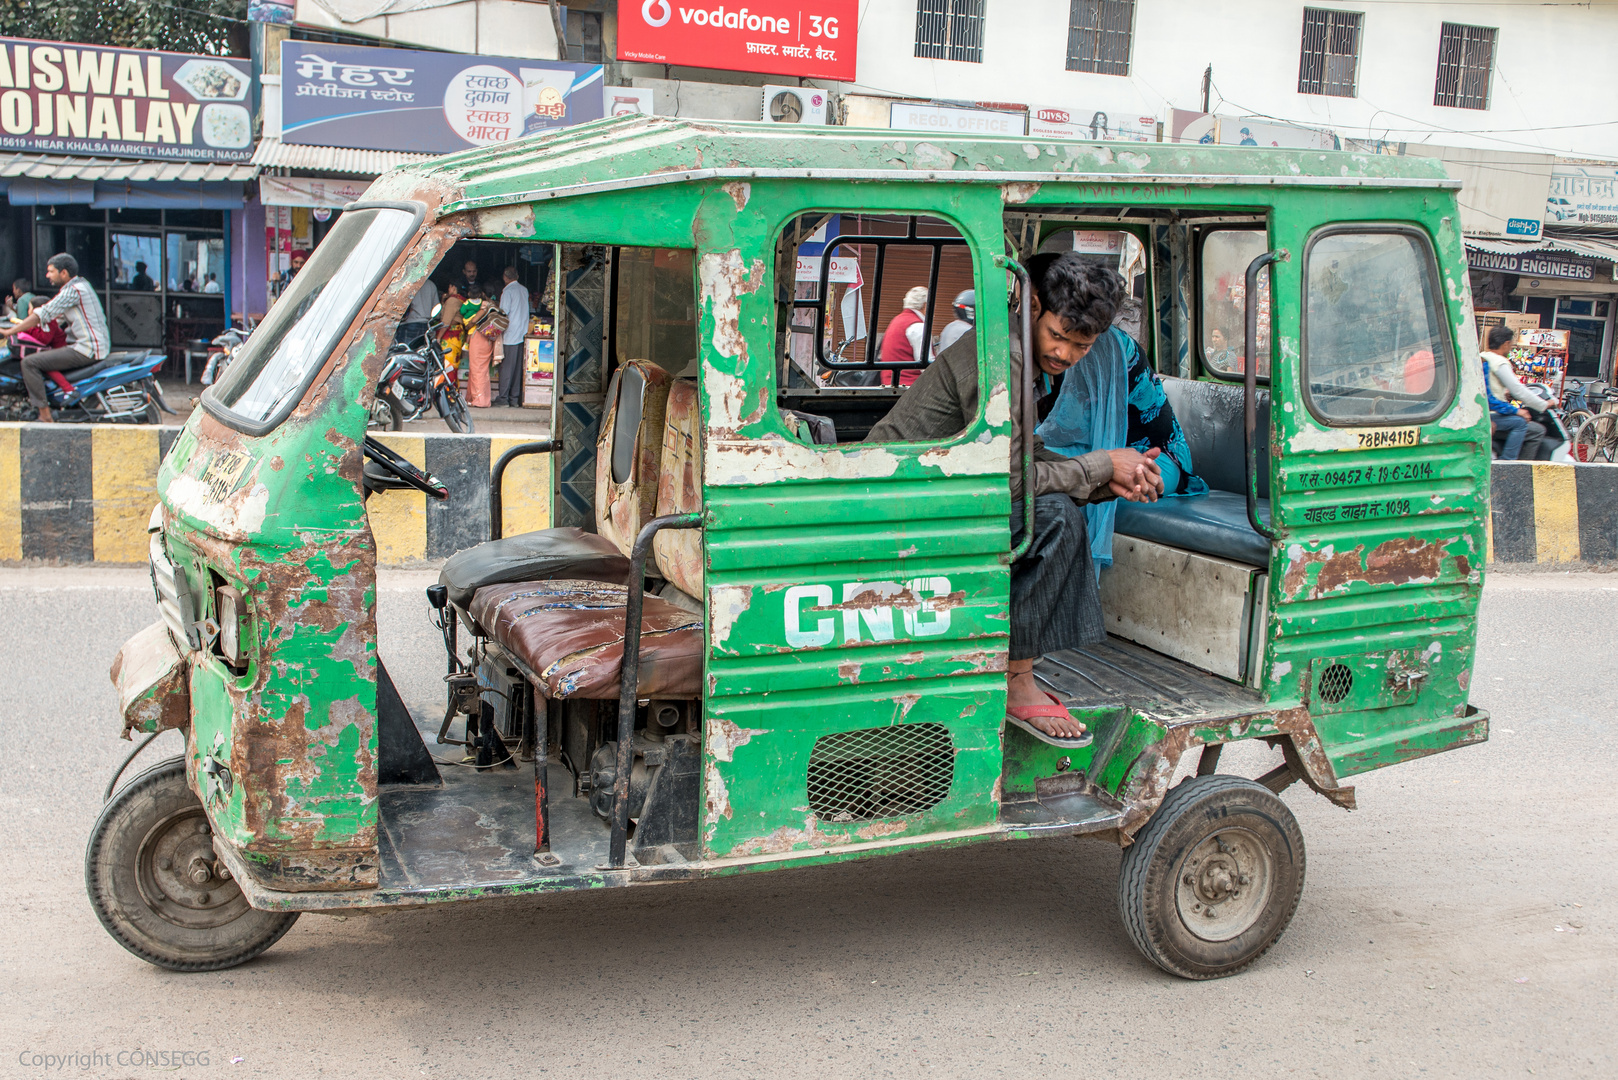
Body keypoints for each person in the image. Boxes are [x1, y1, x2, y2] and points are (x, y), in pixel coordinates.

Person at [865, 253, 1164, 739]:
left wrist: (1100, 480)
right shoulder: (1005, 354)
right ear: (1033, 304)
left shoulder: (1029, 351)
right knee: (1054, 517)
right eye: (1059, 336)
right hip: (897, 498)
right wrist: (1102, 465)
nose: (1066, 355)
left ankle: (1019, 668)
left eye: (1081, 347)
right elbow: (1009, 483)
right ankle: (1018, 678)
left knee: (1067, 500)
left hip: (938, 488)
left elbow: (1024, 451)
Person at [1034, 254, 1206, 574]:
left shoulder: (1097, 346)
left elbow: (1064, 428)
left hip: (1155, 458)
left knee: (1042, 465)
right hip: (1103, 448)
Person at [0, 253, 110, 422]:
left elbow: (42, 314)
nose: (47, 275)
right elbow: (50, 320)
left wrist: (9, 332)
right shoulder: (81, 285)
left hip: (86, 348)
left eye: (51, 271)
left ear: (63, 273)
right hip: (91, 345)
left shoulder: (73, 291)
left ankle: (44, 415)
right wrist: (20, 325)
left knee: (29, 363)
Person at [1483, 325, 1548, 460]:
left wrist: (1505, 393)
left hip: (1484, 413)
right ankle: (1512, 466)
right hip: (1491, 415)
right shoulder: (1499, 362)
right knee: (1532, 428)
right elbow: (1518, 391)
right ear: (1506, 343)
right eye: (1511, 344)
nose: (1511, 347)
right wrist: (1544, 405)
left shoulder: (1483, 357)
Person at [880, 285, 931, 387]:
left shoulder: (896, 320)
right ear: (926, 306)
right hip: (911, 387)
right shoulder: (918, 326)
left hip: (889, 384)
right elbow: (928, 366)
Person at [496, 266, 530, 407]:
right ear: (517, 276)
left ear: (505, 277)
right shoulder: (524, 290)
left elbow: (503, 314)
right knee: (517, 368)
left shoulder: (507, 291)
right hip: (522, 332)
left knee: (507, 368)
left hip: (510, 334)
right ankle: (514, 399)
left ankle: (503, 398)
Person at [461, 286, 497, 408]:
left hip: (479, 338)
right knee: (479, 368)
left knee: (478, 369)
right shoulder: (492, 305)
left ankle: (480, 400)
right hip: (486, 340)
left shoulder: (484, 306)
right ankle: (473, 397)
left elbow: (473, 322)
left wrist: (467, 325)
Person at [399, 277, 438, 348]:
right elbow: (436, 308)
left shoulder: (409, 284)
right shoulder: (431, 285)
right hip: (426, 326)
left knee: (406, 355)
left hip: (409, 325)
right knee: (421, 354)